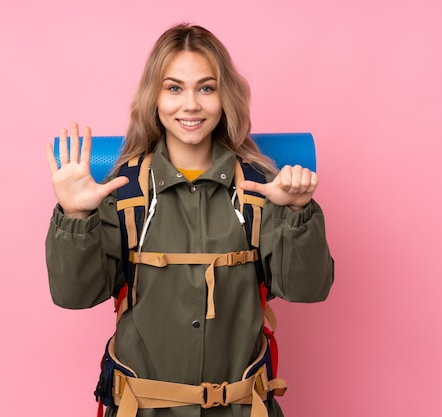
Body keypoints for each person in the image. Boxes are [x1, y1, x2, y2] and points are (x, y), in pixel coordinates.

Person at [45, 23, 334, 417]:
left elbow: (306, 289)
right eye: (174, 88)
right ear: (155, 97)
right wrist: (77, 215)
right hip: (141, 409)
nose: (191, 105)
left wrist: (297, 212)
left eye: (206, 88)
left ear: (224, 96)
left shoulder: (262, 188)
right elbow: (74, 296)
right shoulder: (123, 190)